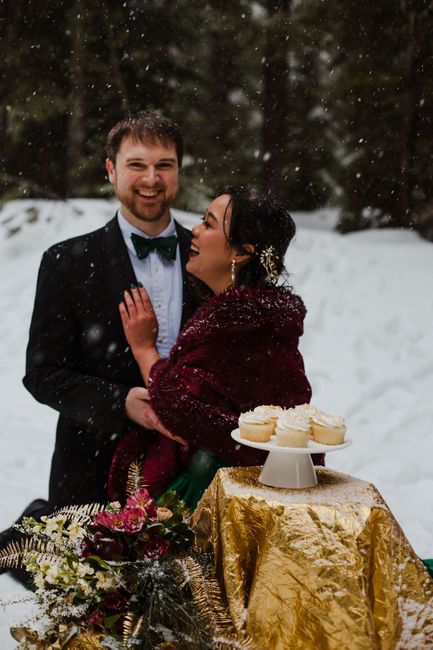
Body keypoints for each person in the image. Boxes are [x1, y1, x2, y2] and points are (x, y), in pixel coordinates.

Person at [0, 112, 201, 565]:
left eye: (164, 165)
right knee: (96, 618)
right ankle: (33, 533)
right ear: (110, 170)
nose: (151, 179)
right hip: (92, 467)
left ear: (179, 172)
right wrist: (119, 402)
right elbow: (43, 375)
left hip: (190, 473)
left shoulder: (205, 258)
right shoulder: (66, 262)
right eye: (136, 165)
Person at [109, 187, 324, 510]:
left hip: (223, 503)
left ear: (241, 252)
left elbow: (185, 414)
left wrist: (143, 349)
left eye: (208, 225)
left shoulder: (244, 326)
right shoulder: (247, 316)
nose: (194, 230)